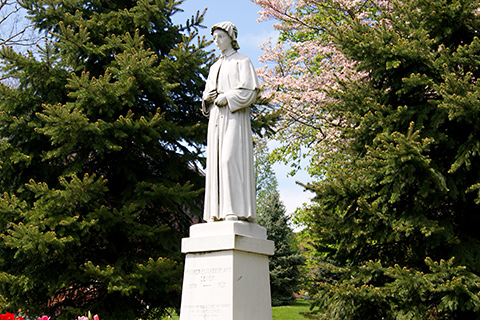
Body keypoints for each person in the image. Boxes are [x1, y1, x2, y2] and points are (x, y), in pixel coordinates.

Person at [202, 21, 261, 222]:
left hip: (234, 116)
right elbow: (207, 93)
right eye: (214, 38)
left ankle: (233, 210)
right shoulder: (214, 67)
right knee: (217, 162)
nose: (216, 41)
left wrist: (228, 97)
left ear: (231, 38)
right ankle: (218, 212)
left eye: (220, 37)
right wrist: (207, 98)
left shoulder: (242, 61)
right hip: (216, 118)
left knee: (229, 159)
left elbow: (250, 91)